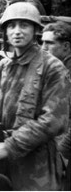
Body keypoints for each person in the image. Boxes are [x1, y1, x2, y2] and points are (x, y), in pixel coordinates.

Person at [0, 2, 69, 190]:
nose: (17, 31)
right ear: (5, 32)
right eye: (11, 25)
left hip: (34, 163)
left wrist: (9, 146)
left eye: (24, 25)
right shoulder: (3, 66)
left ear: (35, 30)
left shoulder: (53, 67)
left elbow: (53, 120)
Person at [41, 21, 71, 190]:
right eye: (42, 42)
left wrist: (62, 152)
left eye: (49, 43)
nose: (43, 47)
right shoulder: (57, 70)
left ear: (66, 47)